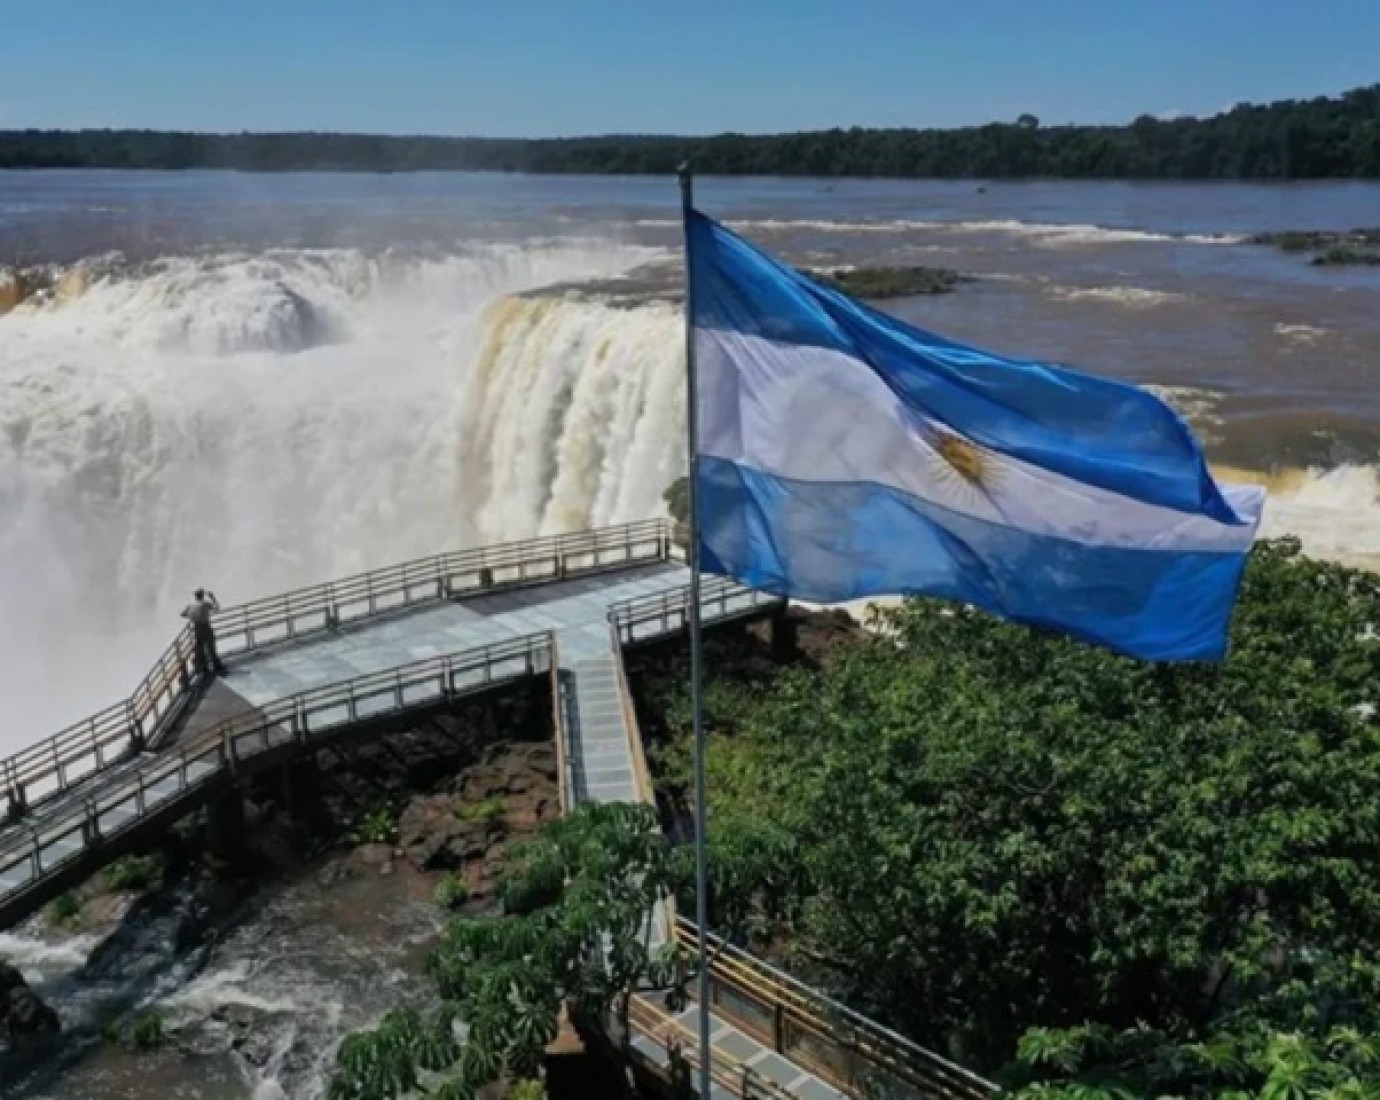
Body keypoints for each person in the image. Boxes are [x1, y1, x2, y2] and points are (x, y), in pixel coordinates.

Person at [182, 588, 227, 677]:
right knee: (211, 648)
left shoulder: (190, 605)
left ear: (195, 596)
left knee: (200, 649)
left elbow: (183, 614)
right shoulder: (205, 603)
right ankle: (217, 666)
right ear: (202, 595)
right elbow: (217, 608)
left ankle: (204, 669)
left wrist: (193, 616)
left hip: (196, 629)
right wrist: (213, 597)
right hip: (205, 627)